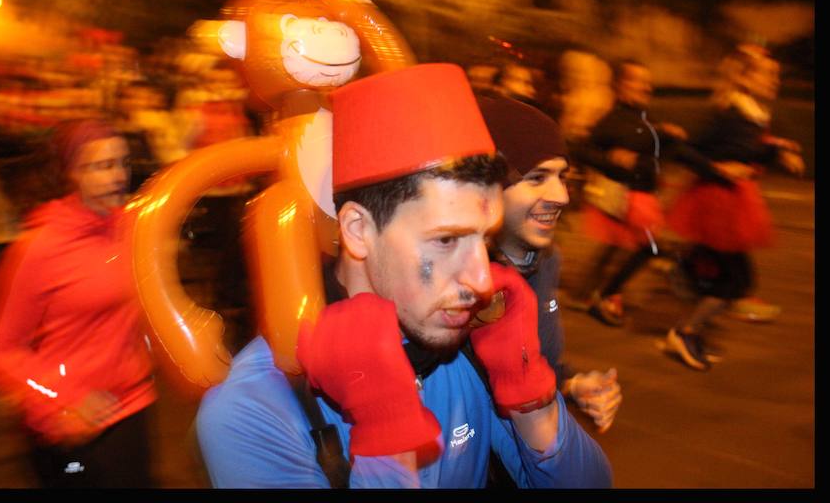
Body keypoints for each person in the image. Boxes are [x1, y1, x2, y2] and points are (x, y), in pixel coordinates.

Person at [196, 64, 612, 488]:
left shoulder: (470, 341)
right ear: (358, 230)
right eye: (446, 241)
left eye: (484, 241)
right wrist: (387, 431)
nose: (483, 281)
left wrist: (531, 399)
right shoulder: (252, 408)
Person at [0, 118, 157, 487]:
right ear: (72, 174)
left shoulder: (133, 228)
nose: (118, 176)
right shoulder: (38, 248)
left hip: (135, 406)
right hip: (72, 427)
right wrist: (60, 398)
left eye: (123, 163)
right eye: (102, 166)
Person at [478, 94, 622, 434]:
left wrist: (572, 385)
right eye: (537, 177)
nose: (562, 196)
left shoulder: (545, 260)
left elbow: (540, 364)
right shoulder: (455, 284)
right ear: (488, 188)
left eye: (562, 177)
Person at [663, 46, 804, 370]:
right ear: (744, 77)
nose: (775, 81)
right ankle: (685, 331)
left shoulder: (753, 114)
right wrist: (719, 170)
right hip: (716, 204)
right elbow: (682, 150)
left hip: (732, 202)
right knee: (736, 282)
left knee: (733, 278)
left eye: (776, 75)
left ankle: (689, 305)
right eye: (767, 74)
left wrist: (779, 153)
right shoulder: (730, 114)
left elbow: (747, 152)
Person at [568, 60, 726, 327]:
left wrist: (710, 168)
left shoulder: (642, 117)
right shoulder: (613, 119)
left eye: (646, 81)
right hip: (627, 197)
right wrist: (610, 159)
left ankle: (588, 292)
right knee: (649, 248)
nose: (645, 86)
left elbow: (660, 146)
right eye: (636, 80)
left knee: (625, 246)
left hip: (640, 196)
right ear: (620, 86)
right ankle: (605, 295)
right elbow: (581, 149)